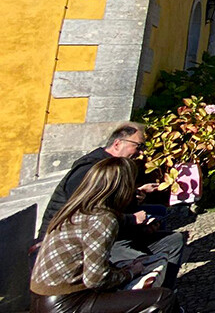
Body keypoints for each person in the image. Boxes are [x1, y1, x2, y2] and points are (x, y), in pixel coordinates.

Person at [37, 122, 186, 290]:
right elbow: (92, 217)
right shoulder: (89, 170)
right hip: (83, 243)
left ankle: (164, 293)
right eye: (138, 146)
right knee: (144, 264)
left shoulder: (113, 166)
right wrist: (132, 220)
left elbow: (110, 205)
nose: (141, 152)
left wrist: (135, 200)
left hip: (110, 232)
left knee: (172, 237)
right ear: (118, 143)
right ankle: (144, 296)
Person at [31, 157, 177, 313]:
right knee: (163, 298)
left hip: (42, 299)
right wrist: (130, 273)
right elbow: (97, 279)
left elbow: (118, 219)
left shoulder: (76, 209)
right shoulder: (103, 219)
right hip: (68, 302)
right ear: (123, 187)